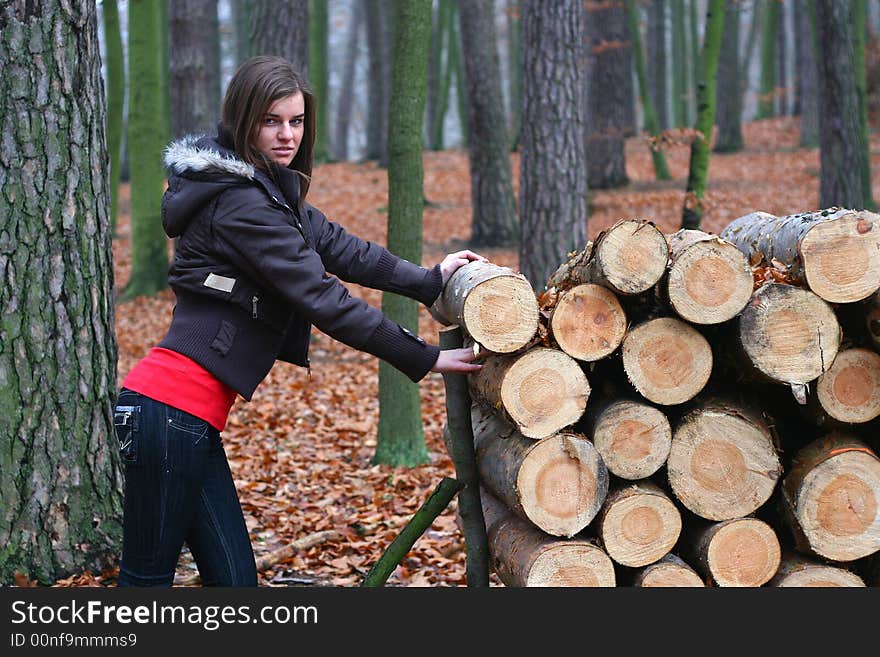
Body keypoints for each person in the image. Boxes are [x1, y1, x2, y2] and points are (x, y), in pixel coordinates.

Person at [113, 55, 483, 587]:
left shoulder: (261, 189)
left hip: (184, 419)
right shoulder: (242, 204)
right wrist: (422, 355)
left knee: (236, 584)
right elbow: (323, 298)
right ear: (243, 120)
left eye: (296, 120)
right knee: (145, 586)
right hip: (169, 414)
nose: (287, 135)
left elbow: (341, 248)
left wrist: (429, 281)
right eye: (271, 121)